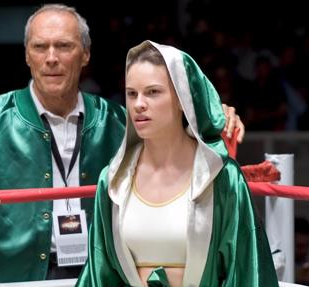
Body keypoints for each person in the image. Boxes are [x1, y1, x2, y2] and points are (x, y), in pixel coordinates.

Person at [0, 4, 245, 285]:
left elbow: (179, 146)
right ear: (27, 56)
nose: (51, 59)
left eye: (63, 46)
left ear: (85, 54)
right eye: (39, 47)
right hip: (8, 277)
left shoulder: (118, 122)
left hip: (100, 274)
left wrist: (216, 118)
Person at [76, 40, 277, 287]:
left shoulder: (220, 176)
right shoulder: (114, 179)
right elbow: (100, 274)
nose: (139, 104)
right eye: (132, 93)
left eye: (153, 92)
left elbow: (246, 270)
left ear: (183, 98)